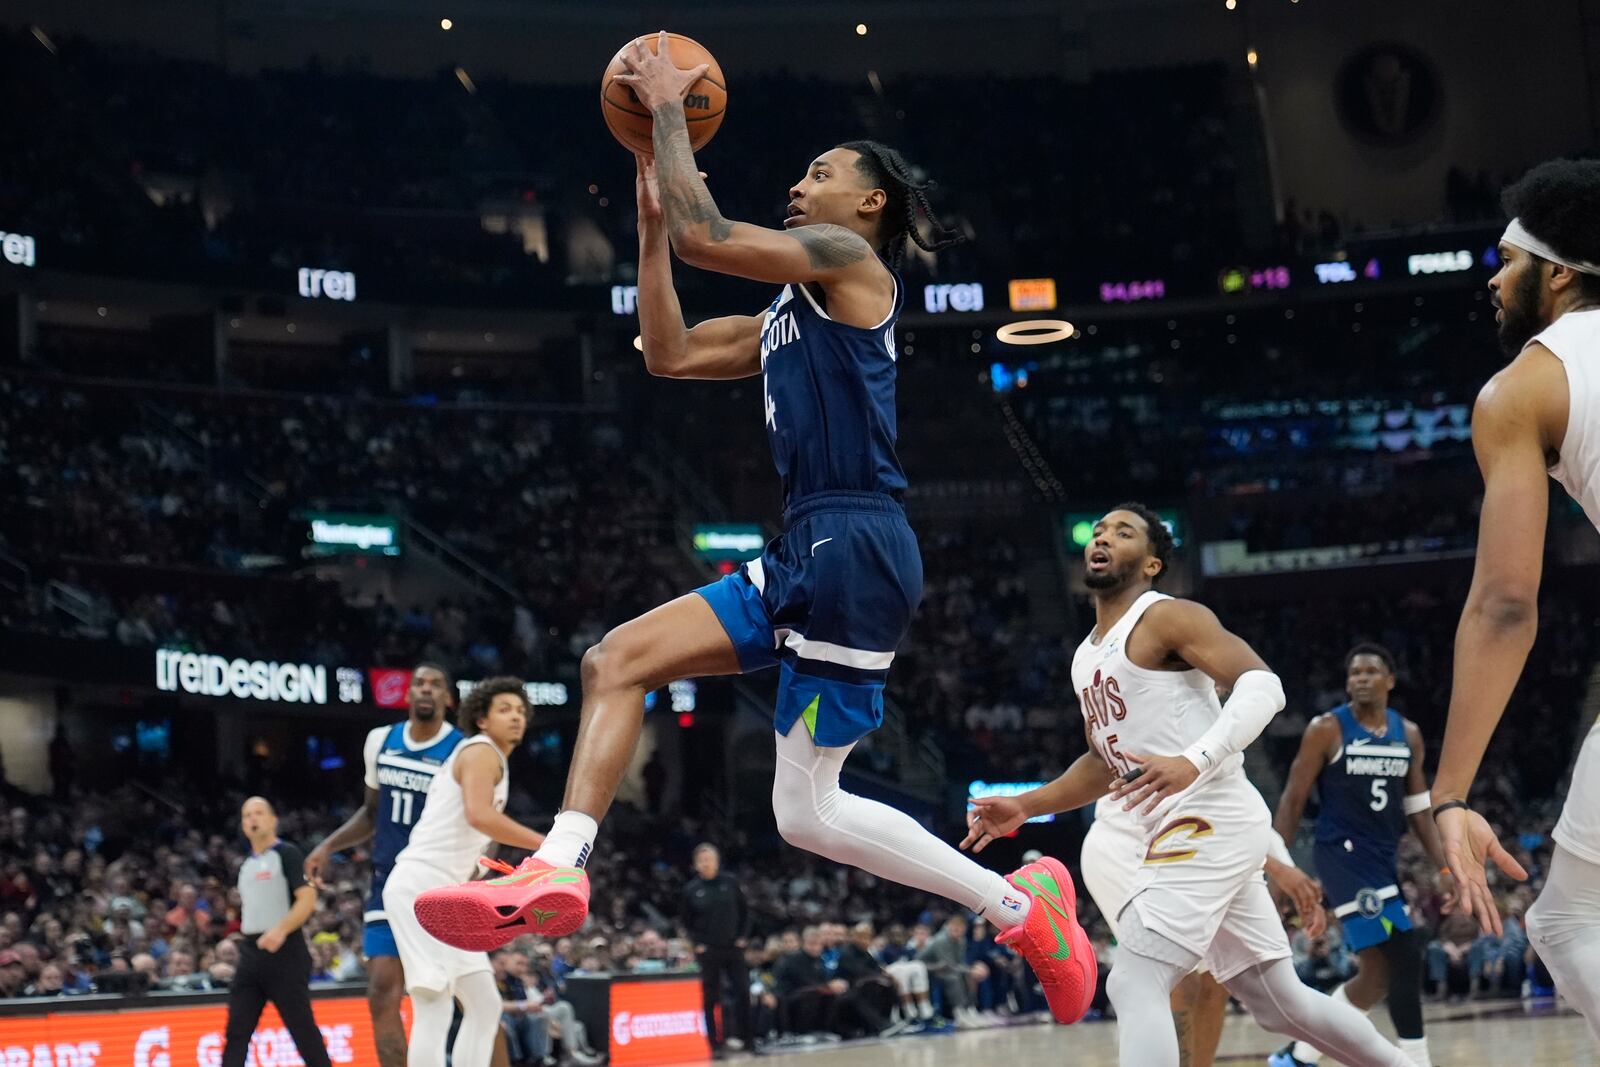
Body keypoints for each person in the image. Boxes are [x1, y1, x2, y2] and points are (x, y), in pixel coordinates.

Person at [415, 31, 1097, 1024]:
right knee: (640, 681)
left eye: (820, 173)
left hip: (855, 547)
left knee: (772, 776)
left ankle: (1020, 904)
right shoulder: (787, 308)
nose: (800, 183)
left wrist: (662, 118)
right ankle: (555, 869)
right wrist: (651, 219)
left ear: (867, 202)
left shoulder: (848, 258)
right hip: (810, 552)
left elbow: (709, 235)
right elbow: (668, 348)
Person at [963, 504, 1412, 1067]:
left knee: (1134, 979)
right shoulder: (1085, 658)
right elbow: (1106, 762)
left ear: (1152, 563)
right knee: (1279, 1005)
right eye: (1099, 531)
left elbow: (1264, 687)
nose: (1103, 538)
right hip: (1187, 826)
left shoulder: (1167, 617)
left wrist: (1194, 759)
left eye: (1123, 533)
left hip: (1210, 813)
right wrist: (1026, 804)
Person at [1429, 158, 1600, 1042]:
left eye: (1505, 258)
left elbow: (1504, 603)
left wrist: (1449, 794)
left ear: (1559, 270)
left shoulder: (1525, 386)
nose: (1493, 278)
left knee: (1567, 924)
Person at [1269, 644, 1455, 1067]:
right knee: (1405, 952)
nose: (1361, 679)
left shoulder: (1406, 734)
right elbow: (1293, 801)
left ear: (1390, 680)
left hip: (1382, 857)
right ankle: (1416, 1060)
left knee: (1375, 977)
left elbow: (1419, 810)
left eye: (1371, 671)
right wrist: (1278, 868)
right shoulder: (1327, 729)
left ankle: (1297, 1057)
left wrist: (1444, 863)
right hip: (1343, 856)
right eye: (1354, 673)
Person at [1077, 764, 1327, 1066]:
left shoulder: (1225, 736)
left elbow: (1239, 803)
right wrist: (1279, 868)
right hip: (1126, 844)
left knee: (1216, 978)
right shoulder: (1192, 730)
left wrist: (1287, 867)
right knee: (1176, 977)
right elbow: (1218, 816)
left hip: (1182, 840)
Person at [305, 664, 462, 1067]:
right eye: (419, 684)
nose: (426, 690)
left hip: (438, 884)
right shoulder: (380, 741)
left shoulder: (462, 751)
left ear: (449, 698)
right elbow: (372, 812)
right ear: (407, 695)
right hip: (388, 884)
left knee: (460, 995)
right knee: (381, 993)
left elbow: (476, 819)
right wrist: (327, 846)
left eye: (436, 684)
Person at [386, 678, 547, 1067]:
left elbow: (476, 832)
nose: (516, 717)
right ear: (482, 718)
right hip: (421, 885)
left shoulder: (493, 759)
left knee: (485, 1004)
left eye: (521, 711)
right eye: (505, 709)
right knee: (434, 1004)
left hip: (449, 891)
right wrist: (545, 844)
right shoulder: (480, 751)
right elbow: (480, 814)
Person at [220, 797, 332, 1067]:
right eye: (247, 815)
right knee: (236, 1031)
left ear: (273, 820)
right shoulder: (245, 865)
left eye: (259, 813)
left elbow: (307, 898)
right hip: (251, 953)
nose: (253, 819)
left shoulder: (287, 854)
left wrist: (280, 930)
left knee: (302, 1031)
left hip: (286, 952)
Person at [680, 843, 753, 1052]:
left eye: (709, 859)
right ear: (695, 865)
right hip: (708, 950)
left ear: (717, 861)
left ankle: (748, 1040)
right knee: (711, 997)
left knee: (742, 992)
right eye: (702, 860)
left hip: (733, 947)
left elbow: (746, 912)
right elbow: (685, 922)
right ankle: (714, 1044)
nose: (706, 863)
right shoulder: (691, 890)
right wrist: (697, 944)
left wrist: (743, 937)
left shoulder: (731, 883)